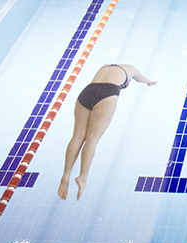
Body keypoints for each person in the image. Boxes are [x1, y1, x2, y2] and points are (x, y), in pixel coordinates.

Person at [59, 63, 155, 200]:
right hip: (107, 92)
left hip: (87, 91)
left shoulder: (105, 66)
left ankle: (66, 175)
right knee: (92, 139)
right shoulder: (131, 69)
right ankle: (83, 177)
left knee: (78, 136)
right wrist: (149, 82)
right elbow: (141, 78)